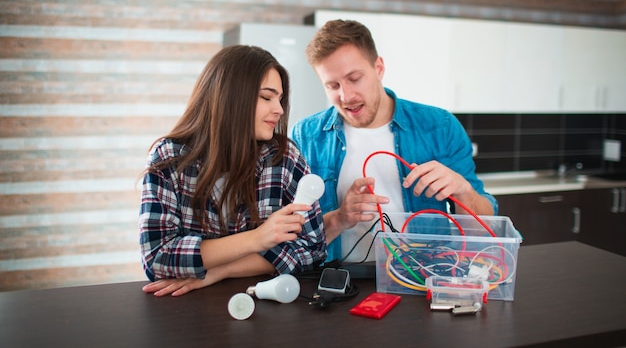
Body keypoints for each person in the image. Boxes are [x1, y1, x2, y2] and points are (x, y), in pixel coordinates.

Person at [291, 19, 497, 263]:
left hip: (424, 277)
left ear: (378, 68)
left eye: (354, 78)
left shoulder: (439, 126)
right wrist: (339, 217)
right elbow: (292, 235)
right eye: (333, 85)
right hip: (338, 284)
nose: (346, 96)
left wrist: (462, 190)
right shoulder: (306, 136)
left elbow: (486, 232)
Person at [139, 45, 326, 296]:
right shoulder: (170, 157)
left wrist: (220, 270)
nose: (279, 109)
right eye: (267, 97)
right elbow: (158, 257)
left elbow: (311, 250)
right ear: (232, 97)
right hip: (188, 311)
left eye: (280, 99)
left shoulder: (283, 158)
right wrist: (257, 239)